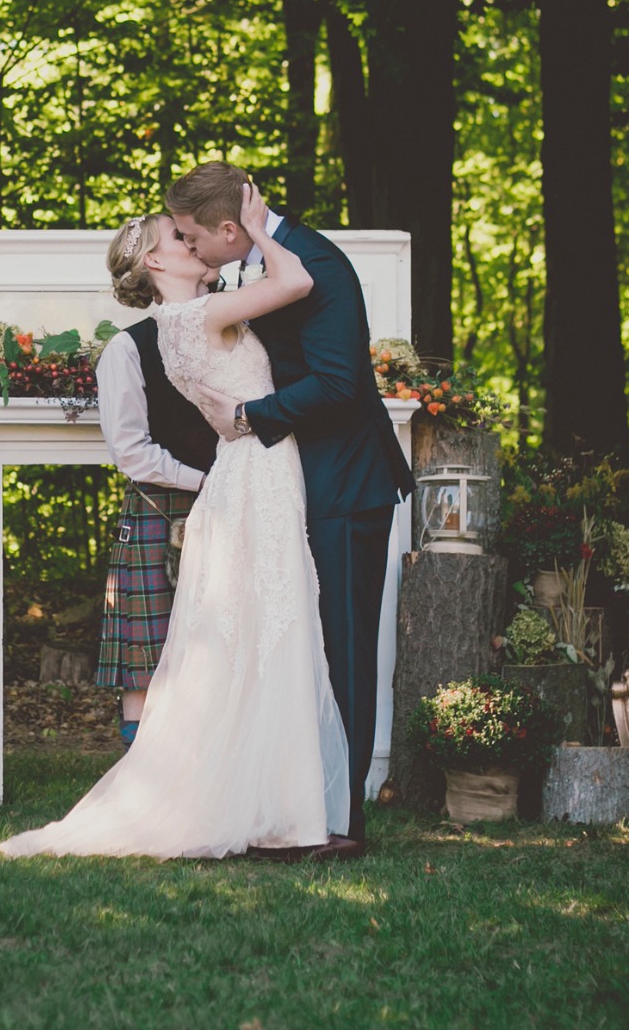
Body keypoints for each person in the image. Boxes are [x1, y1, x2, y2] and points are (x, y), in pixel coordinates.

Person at [0, 188, 349, 860]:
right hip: (248, 474)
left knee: (265, 632)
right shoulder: (192, 319)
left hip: (253, 472)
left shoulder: (189, 319)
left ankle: (280, 808)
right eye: (181, 237)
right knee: (273, 628)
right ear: (155, 257)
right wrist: (257, 226)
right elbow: (298, 279)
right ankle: (283, 814)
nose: (194, 241)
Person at [166, 161, 415, 851]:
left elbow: (338, 384)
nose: (187, 248)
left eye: (190, 237)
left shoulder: (319, 265)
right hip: (303, 481)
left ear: (227, 229)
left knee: (345, 650)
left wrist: (249, 415)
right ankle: (301, 802)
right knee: (304, 645)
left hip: (346, 483)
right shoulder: (259, 262)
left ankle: (343, 821)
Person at [95, 297, 217, 749]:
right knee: (147, 653)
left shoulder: (234, 329)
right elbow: (130, 452)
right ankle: (138, 777)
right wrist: (203, 481)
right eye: (179, 239)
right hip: (162, 505)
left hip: (234, 499)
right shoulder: (128, 348)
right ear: (154, 260)